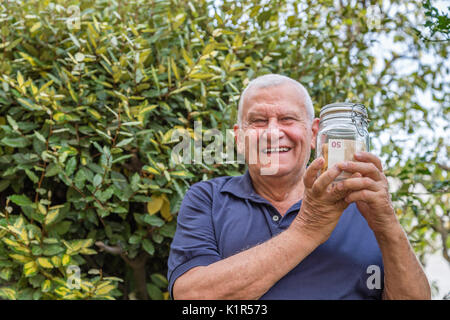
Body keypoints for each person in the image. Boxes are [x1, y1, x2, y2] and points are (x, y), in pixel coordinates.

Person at [167, 74, 431, 300]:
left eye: (288, 119)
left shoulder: (361, 198)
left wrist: (387, 225)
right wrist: (309, 228)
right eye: (258, 121)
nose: (272, 132)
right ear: (239, 137)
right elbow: (191, 296)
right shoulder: (208, 198)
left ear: (314, 132)